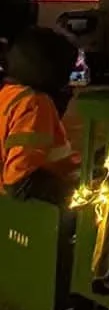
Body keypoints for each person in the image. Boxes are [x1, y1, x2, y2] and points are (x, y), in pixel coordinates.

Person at [0, 26, 81, 204]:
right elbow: (20, 179)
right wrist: (75, 195)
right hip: (41, 215)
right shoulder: (35, 103)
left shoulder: (9, 95)